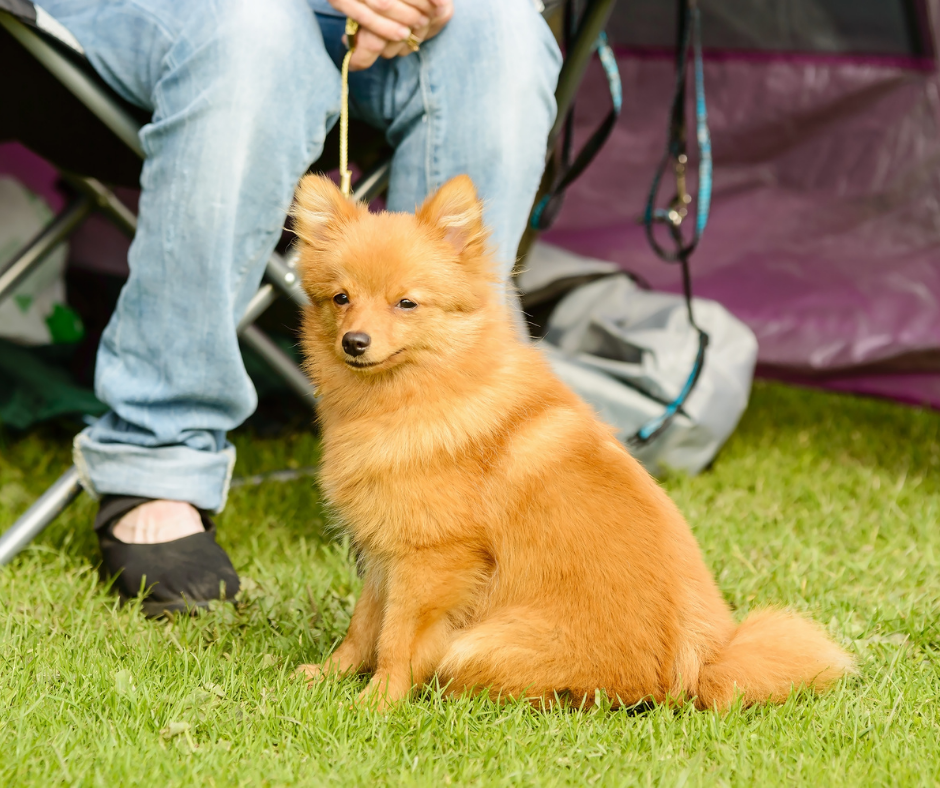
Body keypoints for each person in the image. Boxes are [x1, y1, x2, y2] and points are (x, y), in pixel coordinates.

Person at [39, 0, 562, 613]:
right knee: (256, 27)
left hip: (384, 24)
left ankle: (458, 467)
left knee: (504, 33)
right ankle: (158, 454)